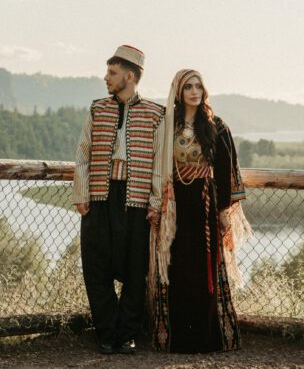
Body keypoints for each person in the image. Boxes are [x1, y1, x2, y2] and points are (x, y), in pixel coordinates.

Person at [148, 69, 251, 353]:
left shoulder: (215, 127)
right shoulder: (168, 126)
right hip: (176, 207)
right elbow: (157, 165)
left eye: (198, 86)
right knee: (178, 267)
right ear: (178, 93)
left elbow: (224, 170)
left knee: (204, 268)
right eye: (188, 87)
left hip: (204, 206)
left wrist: (222, 212)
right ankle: (181, 340)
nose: (194, 91)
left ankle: (208, 339)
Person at [72, 45, 165, 355]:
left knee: (135, 268)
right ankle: (107, 331)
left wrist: (154, 201)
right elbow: (83, 153)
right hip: (99, 196)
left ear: (129, 75)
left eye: (111, 73)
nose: (106, 78)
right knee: (95, 265)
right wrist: (82, 194)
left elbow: (158, 162)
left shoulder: (155, 113)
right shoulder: (97, 109)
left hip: (136, 199)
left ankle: (127, 334)